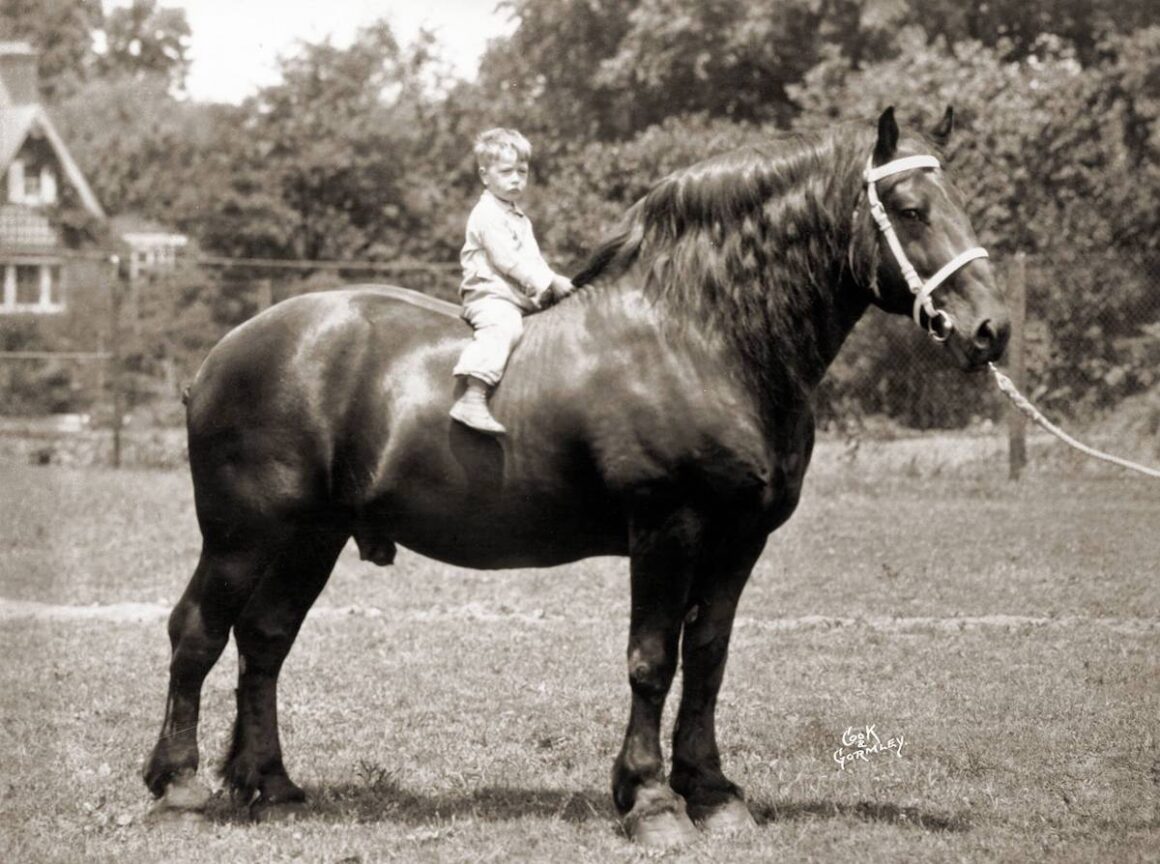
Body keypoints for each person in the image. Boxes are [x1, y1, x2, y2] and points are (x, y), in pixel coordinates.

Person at [449, 128, 574, 435]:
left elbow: (534, 260)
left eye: (522, 171)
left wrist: (555, 284)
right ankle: (473, 396)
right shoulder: (487, 214)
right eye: (506, 172)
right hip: (490, 296)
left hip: (518, 298)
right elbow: (509, 261)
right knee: (504, 328)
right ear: (485, 176)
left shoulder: (519, 217)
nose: (516, 179)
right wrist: (549, 282)